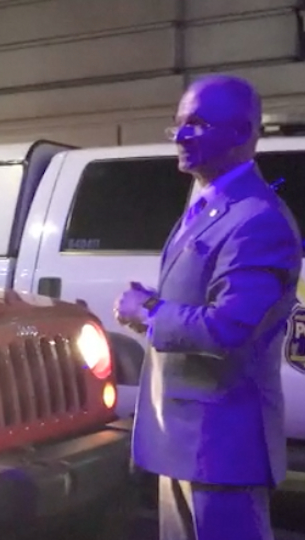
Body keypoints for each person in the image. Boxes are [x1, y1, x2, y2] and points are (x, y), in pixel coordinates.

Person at [115, 75, 303, 540]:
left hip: (221, 449)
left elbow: (228, 327)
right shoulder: (206, 202)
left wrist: (150, 312)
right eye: (177, 125)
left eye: (196, 125)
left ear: (242, 133)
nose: (180, 136)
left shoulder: (257, 219)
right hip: (184, 441)